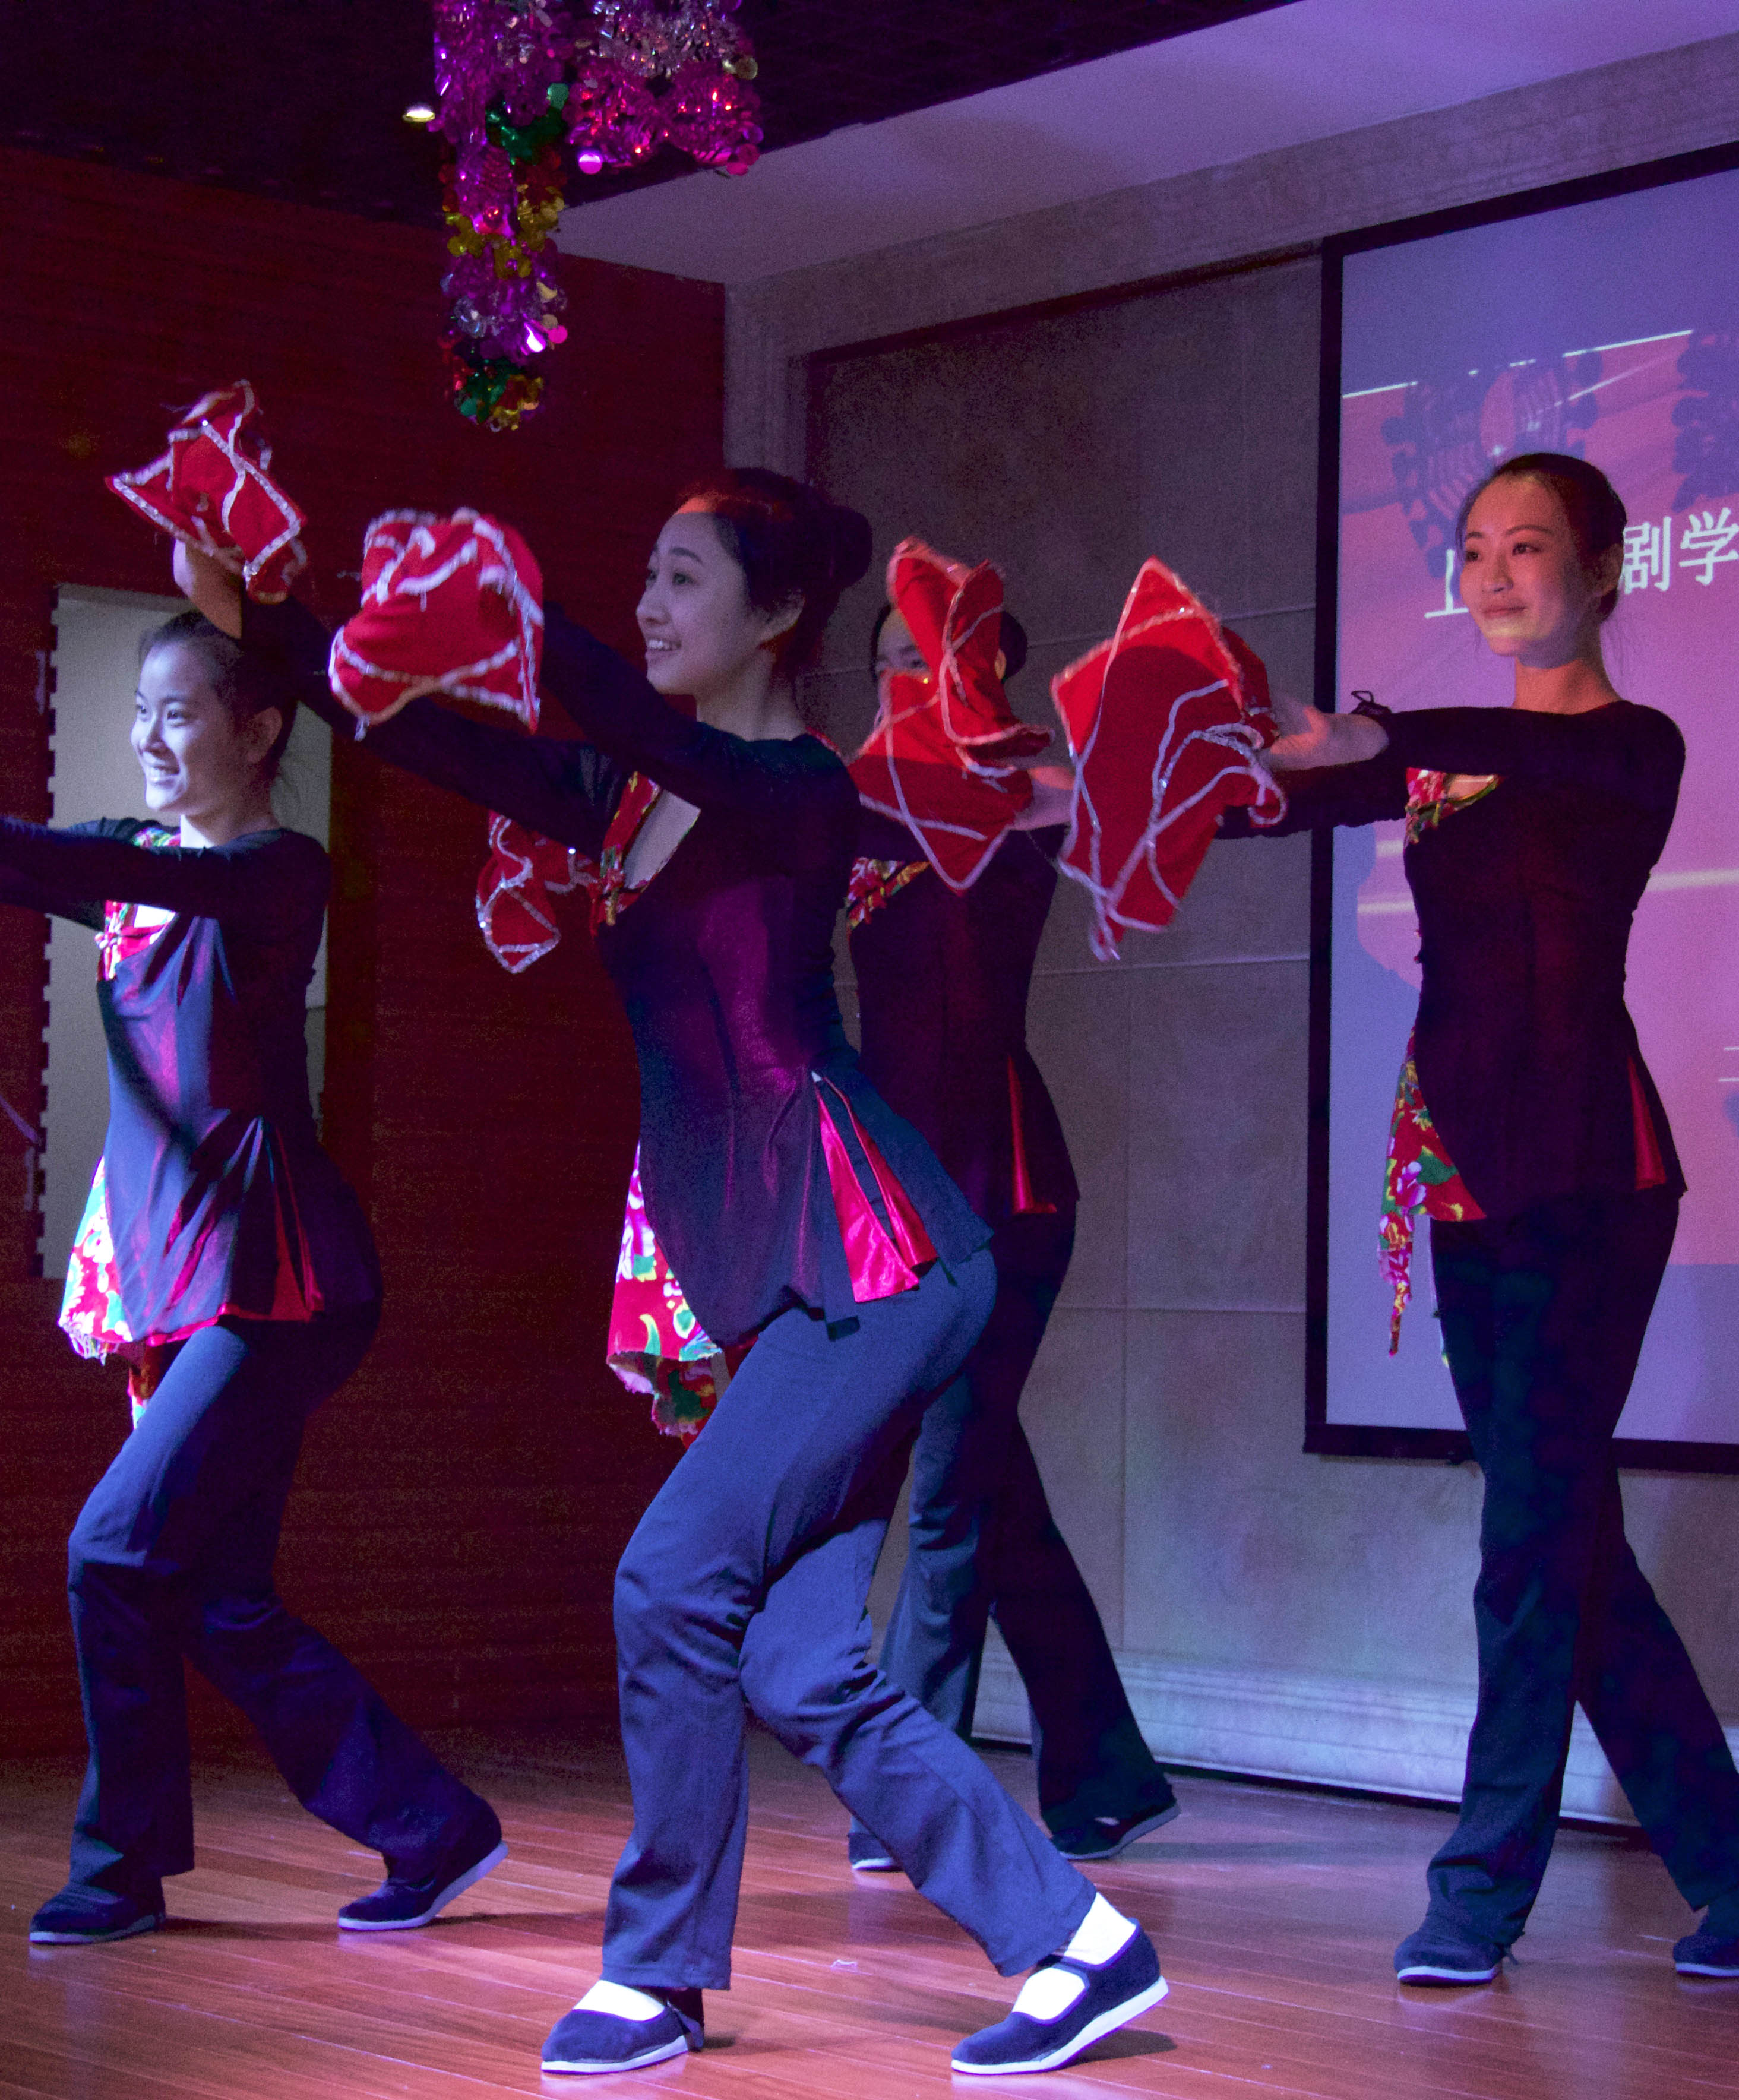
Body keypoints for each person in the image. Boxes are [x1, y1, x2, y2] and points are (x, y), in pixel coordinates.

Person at [215, 470, 1165, 2077]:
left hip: (874, 1258)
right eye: (642, 578)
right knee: (798, 1660)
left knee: (668, 1577)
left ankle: (655, 1974)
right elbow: (404, 727)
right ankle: (1078, 1943)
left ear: (775, 615)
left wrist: (525, 619)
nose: (651, 608)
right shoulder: (618, 793)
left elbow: (638, 721)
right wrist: (266, 604)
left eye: (680, 579)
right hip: (786, 1278)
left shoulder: (794, 787)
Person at [0, 613, 503, 1948]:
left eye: (181, 712)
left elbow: (94, 863)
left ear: (259, 731)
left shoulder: (280, 872)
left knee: (112, 1548)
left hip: (280, 1280)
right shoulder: (134, 866)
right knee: (215, 1594)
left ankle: (120, 1872)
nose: (151, 738)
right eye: (142, 712)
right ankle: (430, 1827)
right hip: (186, 1274)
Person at [1232, 453, 1739, 1984]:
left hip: (1590, 1174)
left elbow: (1503, 754)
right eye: (1474, 548)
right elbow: (1258, 805)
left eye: (1528, 548)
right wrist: (1054, 798)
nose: (1493, 575)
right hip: (1466, 1173)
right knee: (1564, 1533)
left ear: (1603, 570)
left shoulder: (1628, 748)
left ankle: (1479, 1890)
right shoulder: (1436, 757)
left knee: (1527, 1540)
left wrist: (1379, 734)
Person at [843, 602, 1178, 1871]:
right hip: (898, 1199)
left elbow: (1117, 797)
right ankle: (1106, 1771)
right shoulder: (857, 809)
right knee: (987, 1484)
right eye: (890, 659)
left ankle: (914, 1792)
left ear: (985, 678)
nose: (904, 679)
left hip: (1003, 1189)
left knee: (947, 1493)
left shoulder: (1022, 801)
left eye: (931, 660)